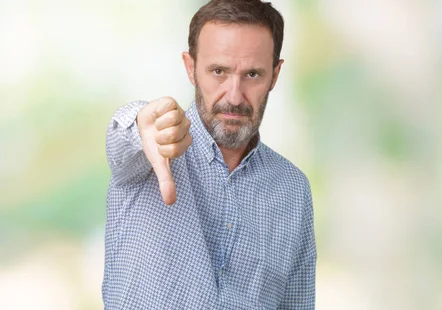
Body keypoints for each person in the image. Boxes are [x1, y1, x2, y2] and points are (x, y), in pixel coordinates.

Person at [102, 0, 316, 308]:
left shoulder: (293, 190)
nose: (234, 96)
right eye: (218, 71)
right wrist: (141, 123)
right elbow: (124, 137)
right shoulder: (149, 155)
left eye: (253, 74)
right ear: (191, 68)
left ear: (275, 74)